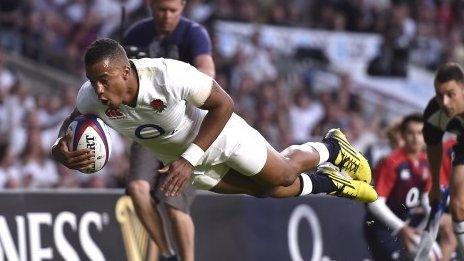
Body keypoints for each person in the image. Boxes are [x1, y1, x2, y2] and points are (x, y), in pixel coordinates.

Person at [52, 39, 377, 230]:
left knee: (284, 175)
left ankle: (332, 147)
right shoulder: (91, 97)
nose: (98, 88)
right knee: (267, 192)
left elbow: (224, 104)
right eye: (93, 80)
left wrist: (189, 159)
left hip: (218, 137)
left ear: (125, 72)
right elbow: (67, 130)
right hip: (182, 164)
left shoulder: (168, 75)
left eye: (104, 79)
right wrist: (60, 152)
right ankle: (332, 183)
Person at [122, 0, 214, 260]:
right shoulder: (136, 34)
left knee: (174, 205)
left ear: (183, 7)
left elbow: (207, 72)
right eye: (162, 9)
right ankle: (166, 252)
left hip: (185, 132)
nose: (167, 15)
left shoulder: (194, 33)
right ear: (151, 6)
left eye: (173, 10)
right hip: (148, 129)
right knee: (139, 191)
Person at [364, 114, 440, 260]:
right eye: (411, 133)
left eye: (420, 133)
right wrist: (401, 228)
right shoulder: (391, 162)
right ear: (403, 136)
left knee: (434, 256)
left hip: (405, 224)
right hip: (381, 226)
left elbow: (424, 196)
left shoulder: (426, 162)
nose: (416, 138)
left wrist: (434, 215)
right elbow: (374, 203)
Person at [423, 62, 464, 256]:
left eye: (450, 94)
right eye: (440, 95)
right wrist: (435, 185)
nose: (445, 102)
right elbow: (433, 147)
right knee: (457, 206)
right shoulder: (434, 113)